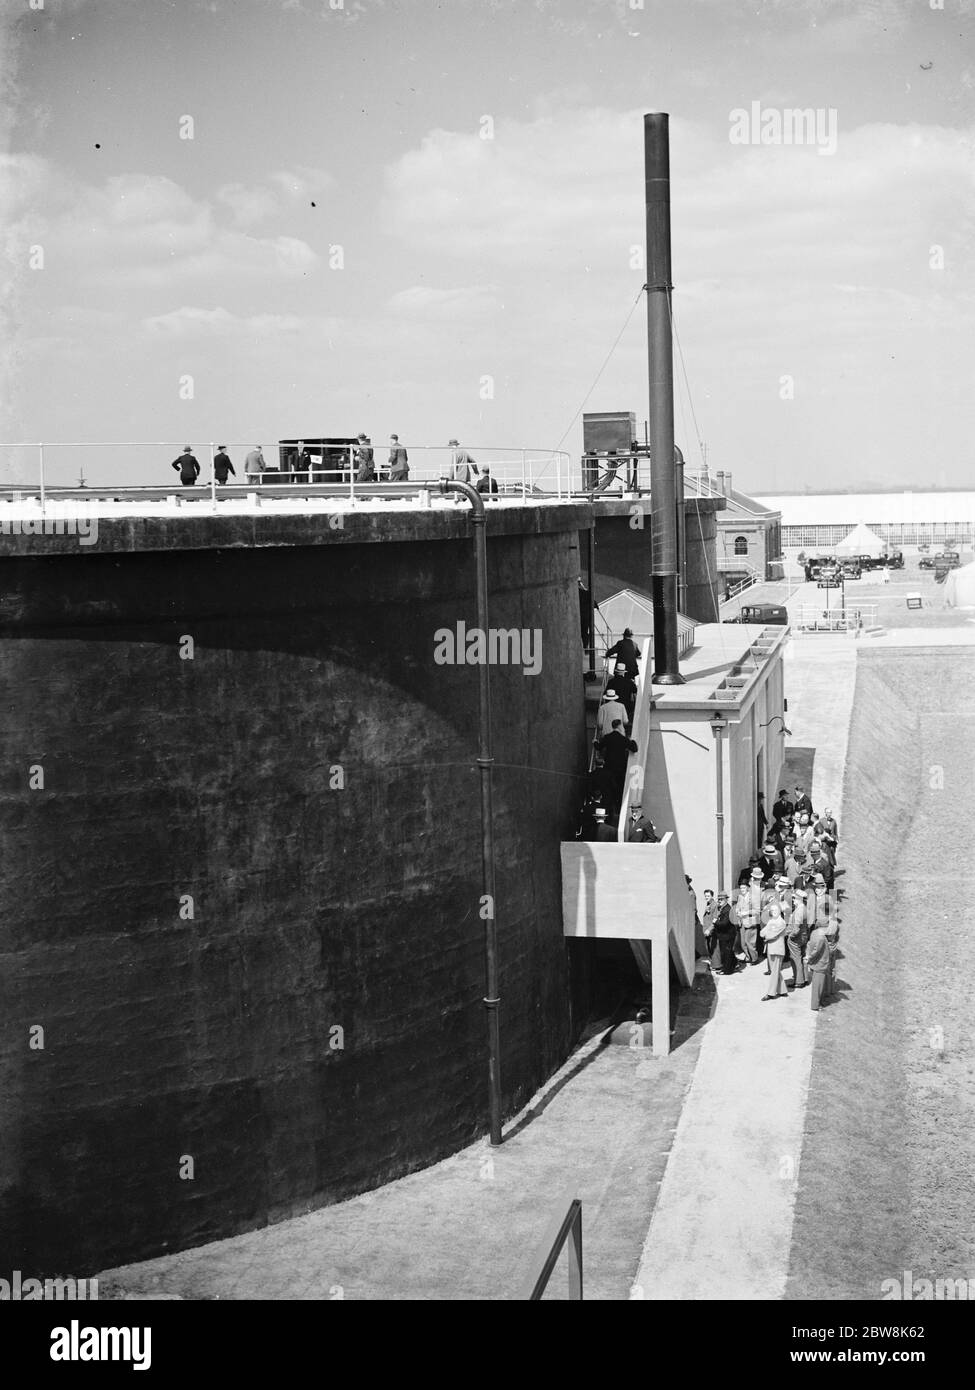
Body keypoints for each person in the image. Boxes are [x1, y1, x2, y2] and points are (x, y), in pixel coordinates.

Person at [595, 720, 637, 804]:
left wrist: (595, 741)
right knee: (619, 788)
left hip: (608, 767)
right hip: (620, 768)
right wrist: (632, 740)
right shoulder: (623, 739)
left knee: (608, 789)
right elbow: (634, 749)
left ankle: (609, 805)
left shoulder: (607, 737)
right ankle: (618, 806)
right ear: (619, 726)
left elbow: (599, 747)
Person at [760, 902, 790, 1000]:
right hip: (771, 948)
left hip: (777, 949)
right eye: (772, 910)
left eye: (776, 910)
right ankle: (782, 990)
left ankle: (771, 993)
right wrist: (766, 933)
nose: (774, 912)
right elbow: (762, 932)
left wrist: (767, 934)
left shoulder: (781, 922)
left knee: (774, 972)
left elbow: (771, 935)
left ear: (780, 911)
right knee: (775, 971)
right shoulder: (771, 920)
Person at [731, 875, 761, 965]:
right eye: (741, 888)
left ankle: (754, 958)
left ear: (748, 888)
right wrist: (737, 910)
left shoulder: (753, 897)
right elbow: (739, 906)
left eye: (744, 888)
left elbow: (757, 911)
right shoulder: (740, 897)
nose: (742, 889)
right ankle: (748, 957)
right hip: (742, 922)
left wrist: (745, 913)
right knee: (743, 942)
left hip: (750, 922)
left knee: (750, 942)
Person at [804, 921, 831, 1011]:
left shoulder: (814, 933)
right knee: (818, 986)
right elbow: (816, 951)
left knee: (817, 985)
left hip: (816, 964)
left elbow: (809, 944)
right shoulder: (821, 938)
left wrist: (807, 955)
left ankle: (818, 1003)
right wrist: (809, 958)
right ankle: (815, 1005)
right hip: (820, 965)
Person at [787, 887, 810, 988]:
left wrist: (790, 936)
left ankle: (799, 981)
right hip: (803, 936)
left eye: (794, 898)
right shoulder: (804, 908)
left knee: (796, 959)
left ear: (799, 899)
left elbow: (796, 928)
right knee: (802, 958)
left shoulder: (799, 910)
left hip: (796, 938)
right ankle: (805, 978)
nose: (793, 900)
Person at [712, 892, 737, 974]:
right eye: (719, 899)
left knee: (726, 953)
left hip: (727, 935)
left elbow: (724, 923)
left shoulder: (727, 909)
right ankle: (733, 965)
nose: (720, 901)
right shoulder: (724, 908)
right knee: (728, 951)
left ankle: (727, 970)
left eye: (722, 899)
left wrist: (715, 922)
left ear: (726, 899)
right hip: (726, 934)